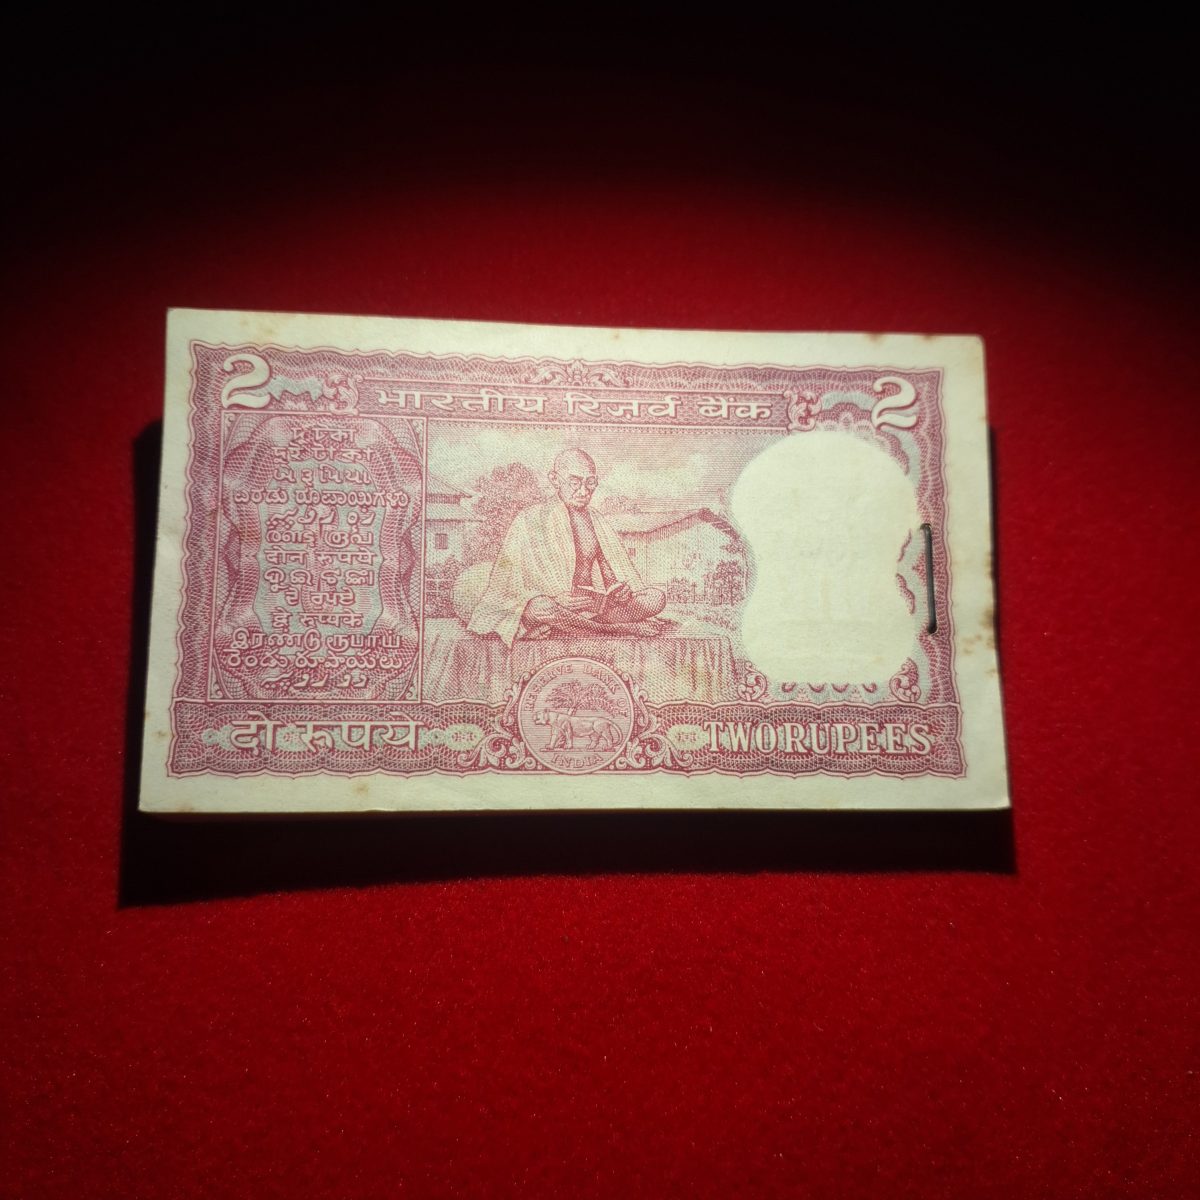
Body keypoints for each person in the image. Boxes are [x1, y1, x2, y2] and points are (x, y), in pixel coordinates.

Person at [467, 448, 666, 645]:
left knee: (655, 598)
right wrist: (555, 598)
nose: (584, 491)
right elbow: (507, 584)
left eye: (590, 483)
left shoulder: (597, 521)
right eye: (574, 482)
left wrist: (620, 592)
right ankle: (617, 629)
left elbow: (611, 576)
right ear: (555, 479)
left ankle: (579, 625)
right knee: (540, 606)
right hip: (554, 607)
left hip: (591, 610)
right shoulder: (529, 518)